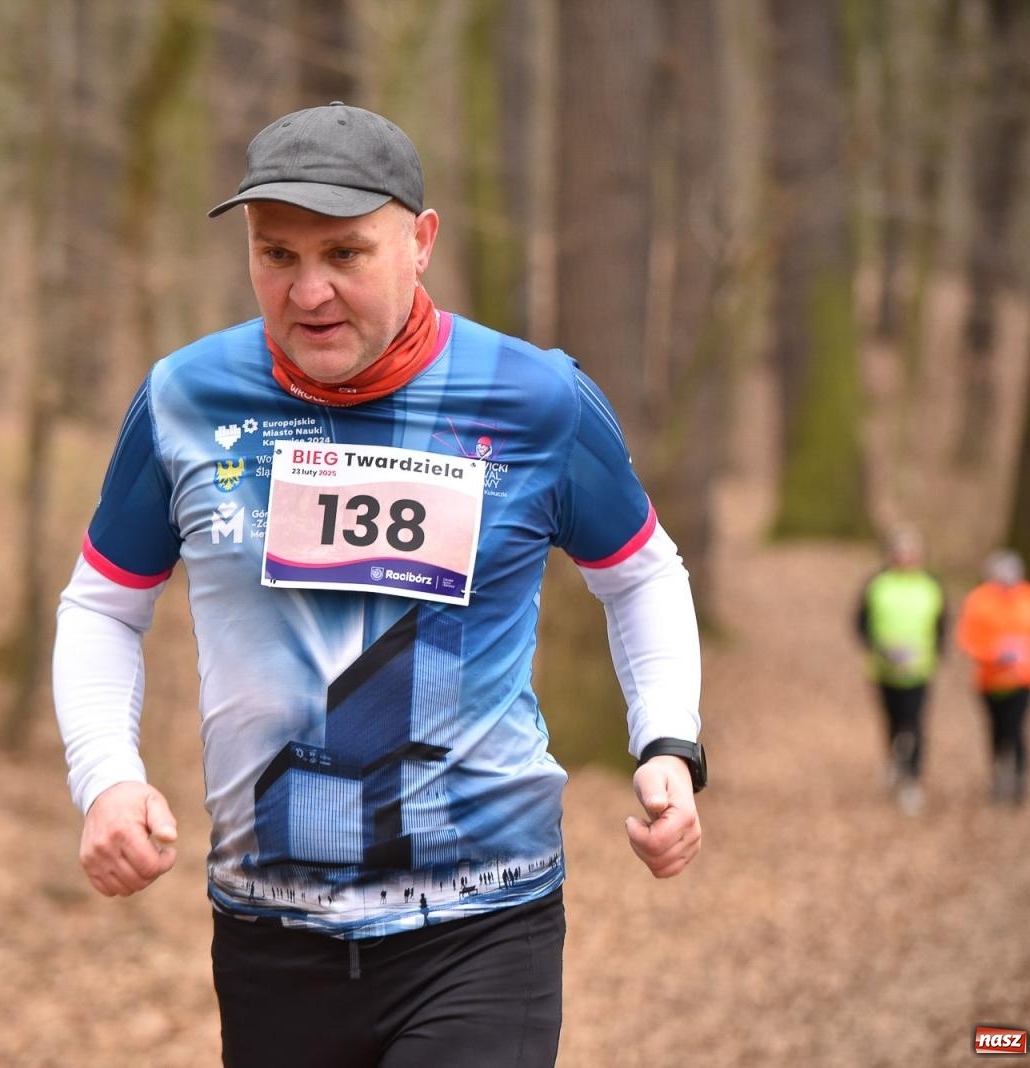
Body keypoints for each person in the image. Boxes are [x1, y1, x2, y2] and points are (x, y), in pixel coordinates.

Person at [52, 102, 704, 1067]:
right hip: (270, 933)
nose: (308, 292)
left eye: (346, 255)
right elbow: (102, 604)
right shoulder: (187, 400)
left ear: (421, 242)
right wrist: (105, 778)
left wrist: (669, 742)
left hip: (487, 921)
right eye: (277, 255)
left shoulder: (535, 400)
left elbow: (643, 575)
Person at [854, 525, 946, 814]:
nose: (905, 557)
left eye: (911, 552)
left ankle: (912, 779)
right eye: (900, 551)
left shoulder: (931, 586)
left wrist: (935, 653)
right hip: (884, 669)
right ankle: (894, 761)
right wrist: (877, 647)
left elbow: (942, 625)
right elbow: (861, 623)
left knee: (914, 723)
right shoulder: (878, 584)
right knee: (893, 722)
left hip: (919, 670)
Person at [956, 549, 1030, 805]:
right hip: (990, 681)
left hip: (1024, 679)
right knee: (997, 730)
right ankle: (998, 774)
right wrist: (992, 655)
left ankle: (1019, 781)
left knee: (1017, 729)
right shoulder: (978, 600)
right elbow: (967, 638)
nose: (1007, 582)